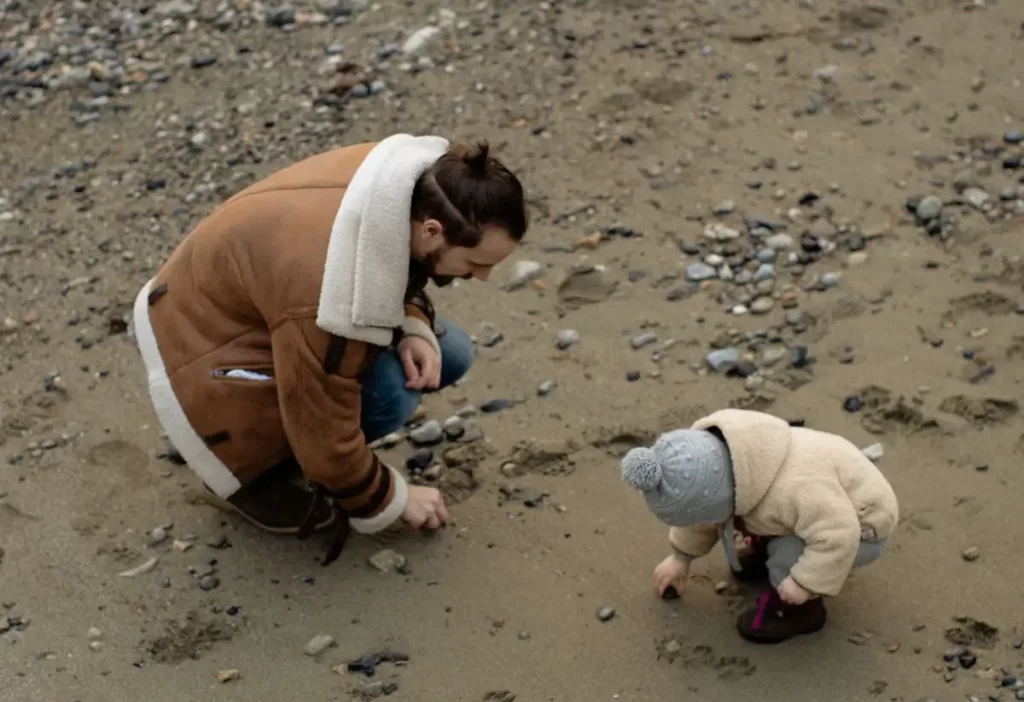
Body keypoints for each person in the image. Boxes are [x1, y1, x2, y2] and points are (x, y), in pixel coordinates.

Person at [131, 134, 527, 565]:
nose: (484, 277)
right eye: (475, 264)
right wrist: (390, 498)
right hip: (199, 346)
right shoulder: (326, 290)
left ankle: (298, 456)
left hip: (237, 297)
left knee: (449, 352)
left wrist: (412, 324)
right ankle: (251, 477)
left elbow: (400, 268)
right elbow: (317, 416)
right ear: (431, 231)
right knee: (390, 395)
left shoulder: (413, 188)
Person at [619, 409, 899, 644]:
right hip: (816, 509)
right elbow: (704, 514)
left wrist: (804, 583)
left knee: (787, 552)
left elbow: (840, 533)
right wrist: (680, 558)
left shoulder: (796, 489)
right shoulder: (718, 455)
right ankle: (771, 548)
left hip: (863, 522)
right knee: (777, 520)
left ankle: (801, 612)